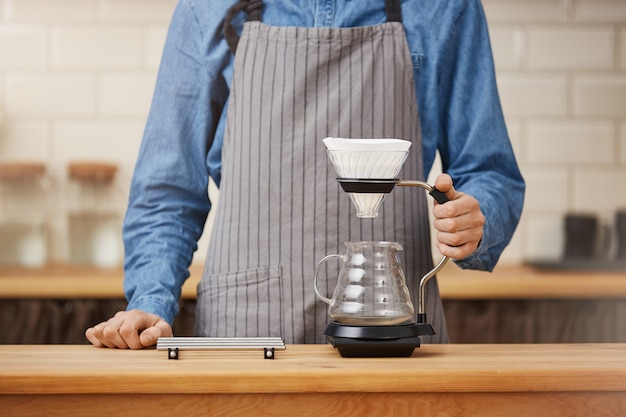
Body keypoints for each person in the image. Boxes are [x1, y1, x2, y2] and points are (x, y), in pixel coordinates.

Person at [86, 0, 524, 349]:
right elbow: (168, 193)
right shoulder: (206, 8)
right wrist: (150, 300)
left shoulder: (446, 8)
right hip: (245, 339)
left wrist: (472, 221)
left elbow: (490, 172)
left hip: (392, 334)